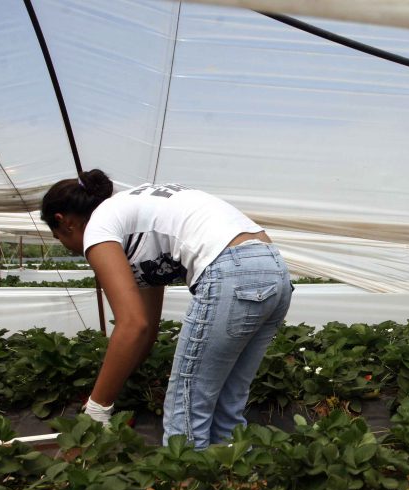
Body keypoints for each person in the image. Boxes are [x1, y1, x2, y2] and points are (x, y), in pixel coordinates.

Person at [40, 170, 292, 449]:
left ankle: (185, 486)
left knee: (186, 405)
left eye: (57, 237)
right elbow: (144, 331)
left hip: (233, 270)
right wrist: (109, 388)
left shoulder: (98, 228)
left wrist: (98, 408)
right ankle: (231, 484)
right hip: (273, 269)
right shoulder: (131, 219)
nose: (68, 247)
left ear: (65, 222)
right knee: (226, 404)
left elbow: (132, 325)